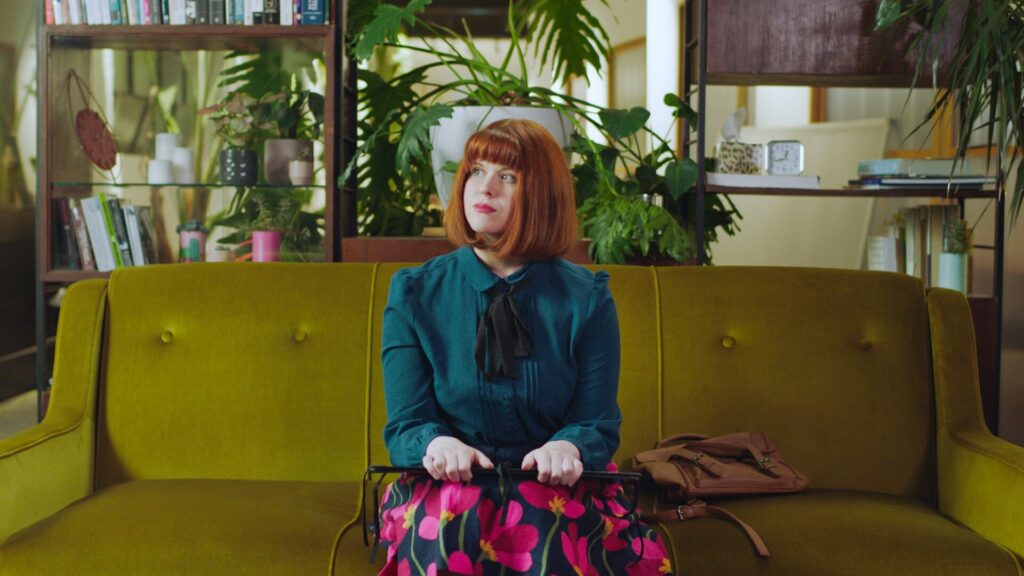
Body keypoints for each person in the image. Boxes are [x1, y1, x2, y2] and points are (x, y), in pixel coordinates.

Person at [378, 119, 673, 576]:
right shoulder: (414, 292)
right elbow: (406, 424)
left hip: (556, 485)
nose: (486, 187)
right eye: (476, 171)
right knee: (454, 516)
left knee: (545, 516)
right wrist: (438, 443)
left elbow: (596, 421)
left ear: (543, 195)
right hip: (448, 485)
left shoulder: (588, 298)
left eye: (508, 176)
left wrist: (568, 447)